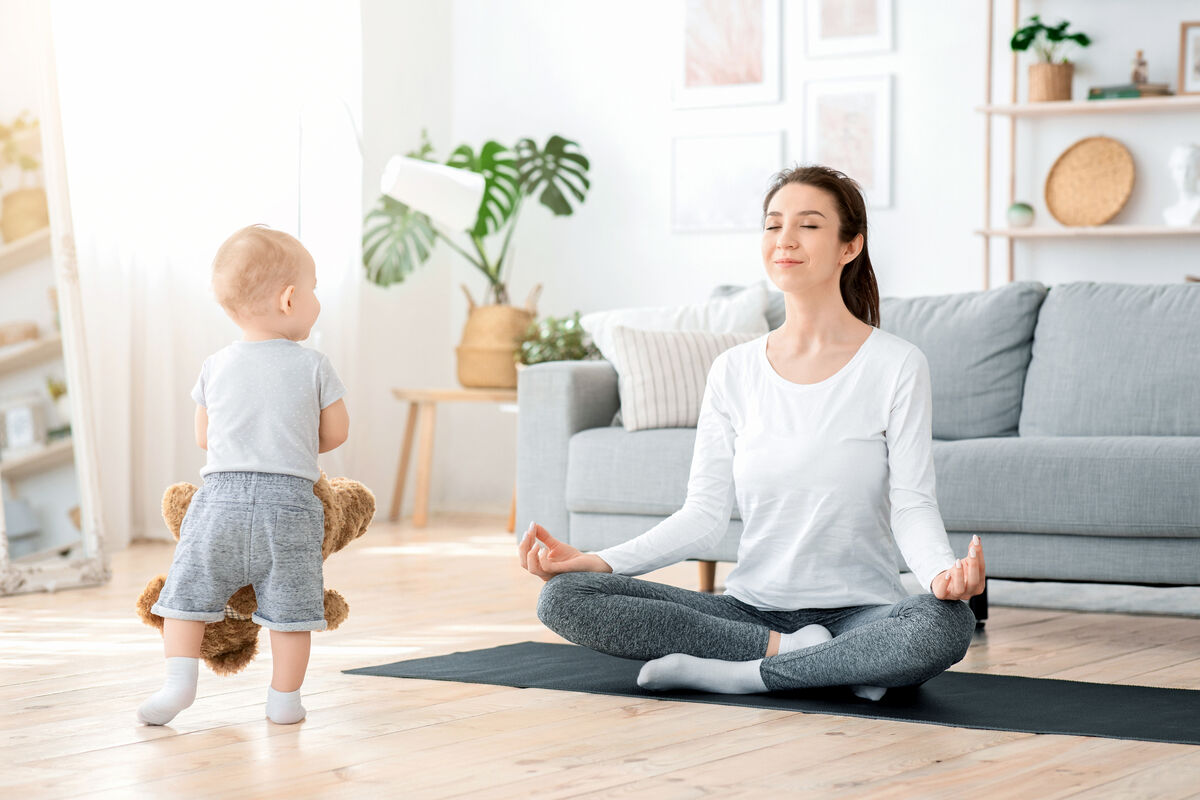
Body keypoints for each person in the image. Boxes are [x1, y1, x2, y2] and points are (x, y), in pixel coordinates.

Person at [518, 165, 984, 699]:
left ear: (848, 247)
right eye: (772, 225)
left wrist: (941, 577)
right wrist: (599, 561)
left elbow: (912, 504)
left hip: (862, 613)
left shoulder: (896, 364)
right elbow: (703, 517)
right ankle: (815, 662)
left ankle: (741, 675)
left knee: (945, 624)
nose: (784, 239)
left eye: (808, 226)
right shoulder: (733, 370)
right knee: (564, 597)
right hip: (747, 614)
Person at [137, 225, 349, 725]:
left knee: (187, 598)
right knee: (292, 613)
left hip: (220, 504)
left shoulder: (215, 365)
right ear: (291, 298)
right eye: (314, 288)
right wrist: (292, 445)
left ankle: (177, 686)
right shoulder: (315, 365)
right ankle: (284, 701)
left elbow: (205, 439)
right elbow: (336, 433)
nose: (317, 299)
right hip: (290, 507)